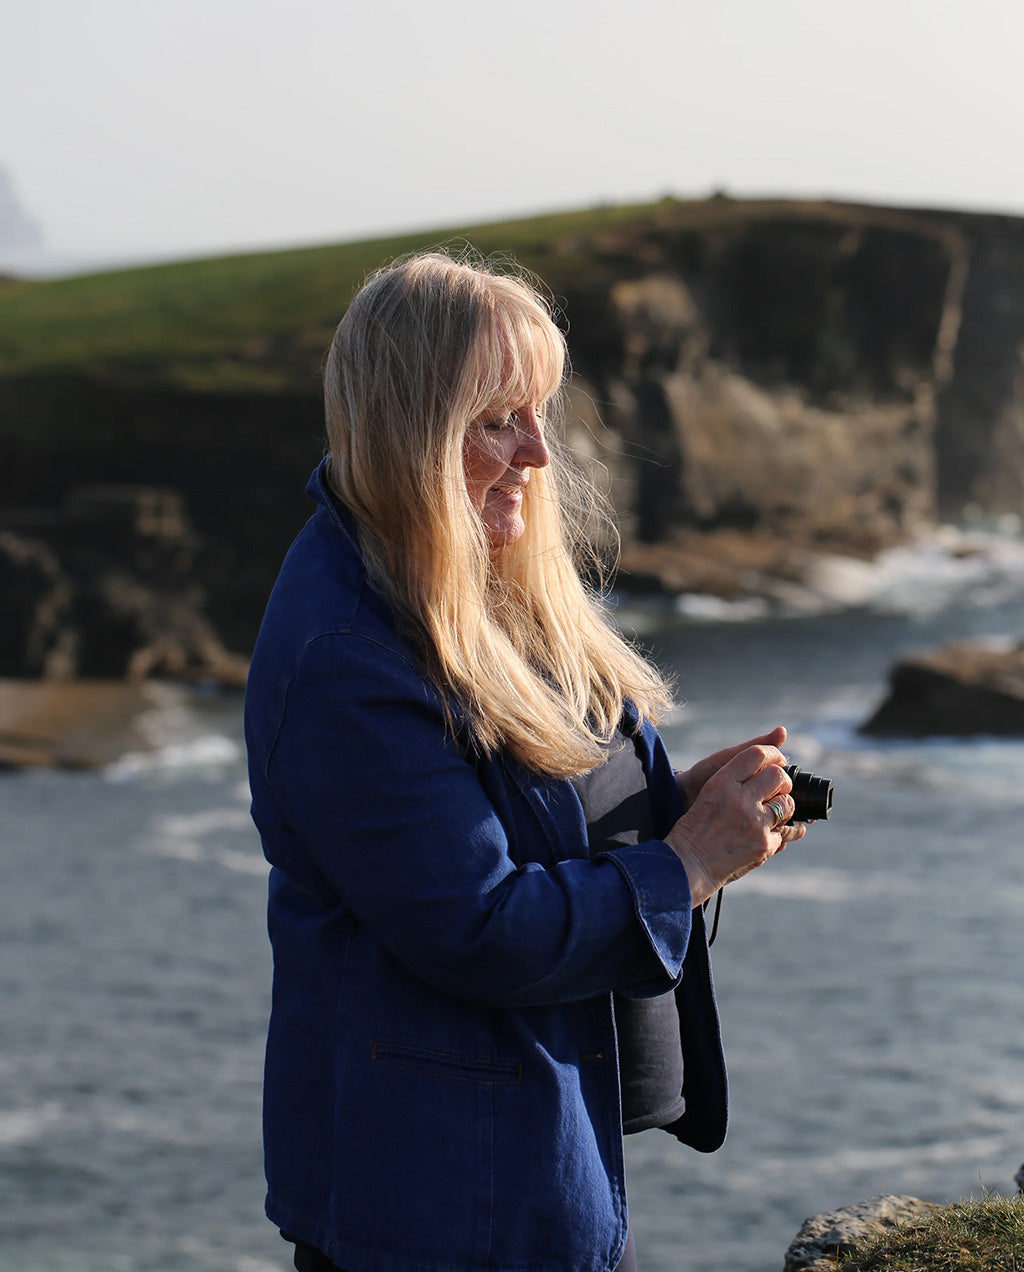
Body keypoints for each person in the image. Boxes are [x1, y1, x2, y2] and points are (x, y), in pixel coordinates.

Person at [244, 251, 808, 1272]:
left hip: (518, 1174)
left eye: (540, 413)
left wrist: (682, 812)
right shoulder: (347, 656)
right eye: (498, 420)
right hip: (433, 1206)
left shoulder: (470, 577)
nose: (538, 454)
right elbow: (477, 926)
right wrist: (684, 868)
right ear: (407, 427)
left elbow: (522, 818)